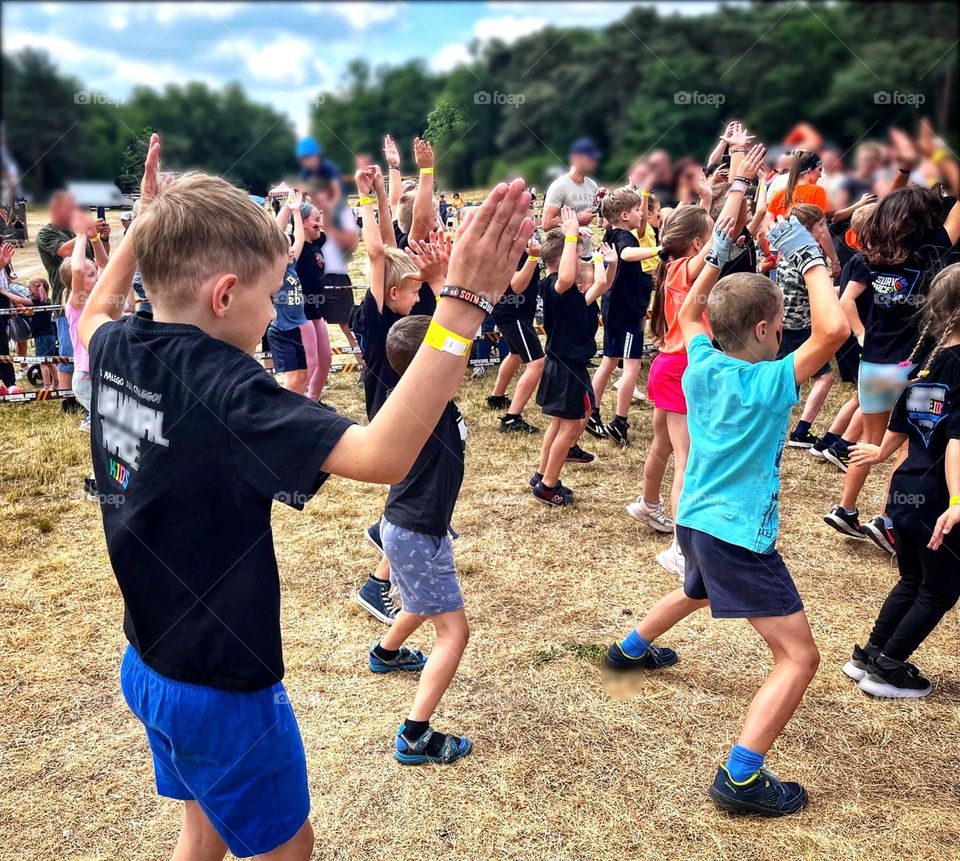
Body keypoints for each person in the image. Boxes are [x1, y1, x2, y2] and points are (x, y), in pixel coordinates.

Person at [77, 133, 534, 861]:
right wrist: (467, 304)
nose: (274, 314)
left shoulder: (119, 345)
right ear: (226, 294)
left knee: (202, 828)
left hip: (150, 661)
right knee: (288, 850)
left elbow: (94, 307)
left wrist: (140, 230)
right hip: (225, 688)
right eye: (270, 294)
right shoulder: (233, 390)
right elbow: (385, 455)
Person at [607, 175, 852, 817]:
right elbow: (831, 333)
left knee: (699, 587)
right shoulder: (770, 383)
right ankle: (741, 776)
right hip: (738, 534)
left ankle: (628, 651)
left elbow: (689, 313)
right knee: (799, 658)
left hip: (697, 519)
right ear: (771, 329)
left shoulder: (702, 362)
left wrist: (722, 241)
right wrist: (809, 256)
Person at [845, 263, 960, 698]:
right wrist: (957, 500)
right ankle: (889, 667)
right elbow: (955, 442)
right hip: (938, 497)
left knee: (911, 579)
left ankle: (869, 655)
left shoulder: (928, 365)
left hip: (907, 489)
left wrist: (882, 452)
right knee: (940, 589)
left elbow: (904, 420)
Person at [825, 185, 960, 549]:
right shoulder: (932, 251)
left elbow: (848, 298)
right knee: (907, 447)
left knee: (870, 441)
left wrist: (860, 334)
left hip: (874, 362)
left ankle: (845, 508)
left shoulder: (872, 257)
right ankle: (888, 520)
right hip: (913, 366)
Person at [368, 313, 472, 764]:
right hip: (415, 533)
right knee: (454, 633)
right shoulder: (423, 405)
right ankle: (415, 735)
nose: (465, 359)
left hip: (411, 529)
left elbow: (448, 333)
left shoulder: (430, 395)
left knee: (418, 599)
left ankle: (385, 652)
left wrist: (438, 281)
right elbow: (444, 348)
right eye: (457, 357)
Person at [352, 165, 447, 623]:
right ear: (391, 292)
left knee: (413, 497)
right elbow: (376, 253)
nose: (417, 302)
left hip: (411, 416)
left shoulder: (403, 301)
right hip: (392, 420)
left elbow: (390, 244)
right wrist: (365, 200)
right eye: (410, 294)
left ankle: (385, 532)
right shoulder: (374, 319)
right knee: (410, 503)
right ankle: (377, 584)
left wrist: (382, 196)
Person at [631, 204, 714, 575]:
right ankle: (680, 549)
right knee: (687, 457)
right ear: (697, 244)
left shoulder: (672, 267)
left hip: (668, 364)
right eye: (709, 236)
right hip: (681, 365)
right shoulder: (684, 269)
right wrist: (742, 180)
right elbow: (722, 239)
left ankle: (648, 504)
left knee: (663, 444)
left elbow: (722, 232)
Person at [531, 206, 615, 506]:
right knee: (569, 426)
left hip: (567, 366)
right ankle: (548, 486)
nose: (580, 262)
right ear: (562, 258)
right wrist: (570, 237)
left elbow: (602, 285)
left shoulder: (572, 295)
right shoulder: (556, 287)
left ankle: (542, 474)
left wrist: (608, 262)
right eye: (578, 256)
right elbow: (565, 274)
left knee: (558, 424)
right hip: (566, 368)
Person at [587, 186, 660, 444]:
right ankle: (620, 421)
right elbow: (627, 255)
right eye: (639, 209)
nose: (642, 213)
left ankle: (591, 412)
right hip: (628, 311)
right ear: (626, 216)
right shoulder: (626, 238)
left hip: (612, 307)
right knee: (631, 366)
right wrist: (657, 250)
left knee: (608, 361)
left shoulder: (610, 233)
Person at [777, 204, 841, 448]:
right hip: (799, 325)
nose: (825, 229)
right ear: (807, 228)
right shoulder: (811, 256)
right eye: (821, 224)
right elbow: (818, 293)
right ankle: (800, 432)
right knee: (822, 378)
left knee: (791, 377)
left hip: (785, 323)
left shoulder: (788, 250)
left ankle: (790, 429)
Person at [36, 191, 109, 392]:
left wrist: (100, 237)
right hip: (68, 300)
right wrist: (84, 233)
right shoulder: (46, 233)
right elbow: (66, 252)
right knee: (68, 354)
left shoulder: (74, 232)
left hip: (91, 301)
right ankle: (67, 396)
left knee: (87, 353)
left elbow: (100, 261)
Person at [486, 200, 544, 433]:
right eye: (530, 216)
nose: (534, 220)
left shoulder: (518, 243)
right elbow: (517, 285)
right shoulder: (513, 249)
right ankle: (512, 418)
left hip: (515, 310)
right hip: (513, 311)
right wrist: (532, 258)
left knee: (515, 354)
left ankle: (497, 397)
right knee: (537, 362)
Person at [269, 189, 310, 394]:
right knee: (292, 380)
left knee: (303, 376)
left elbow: (300, 240)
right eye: (288, 249)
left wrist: (296, 210)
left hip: (294, 329)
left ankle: (299, 412)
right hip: (280, 331)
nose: (292, 250)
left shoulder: (291, 266)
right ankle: (281, 413)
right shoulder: (276, 270)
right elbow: (275, 233)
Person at [294, 202, 332, 403]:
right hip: (302, 312)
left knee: (325, 360)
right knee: (311, 363)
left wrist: (320, 221)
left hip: (317, 310)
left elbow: (328, 230)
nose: (320, 224)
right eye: (315, 219)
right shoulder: (296, 248)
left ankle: (313, 401)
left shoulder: (318, 242)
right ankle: (296, 405)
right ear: (302, 223)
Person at [542, 138, 601, 233]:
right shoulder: (559, 186)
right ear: (576, 158)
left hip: (585, 245)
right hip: (564, 246)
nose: (594, 162)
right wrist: (577, 220)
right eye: (591, 158)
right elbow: (546, 224)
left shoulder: (592, 185)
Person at [295, 136, 341, 209]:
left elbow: (337, 192)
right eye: (304, 159)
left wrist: (331, 206)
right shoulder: (305, 172)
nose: (307, 162)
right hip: (319, 205)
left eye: (309, 158)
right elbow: (302, 190)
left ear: (317, 156)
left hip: (336, 203)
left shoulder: (328, 167)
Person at [28, 277, 57, 390]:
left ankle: (47, 386)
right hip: (50, 334)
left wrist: (5, 292)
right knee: (51, 361)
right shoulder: (47, 301)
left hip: (42, 336)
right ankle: (56, 383)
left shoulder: (35, 301)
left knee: (42, 362)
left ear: (34, 290)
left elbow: (22, 300)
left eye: (29, 288)